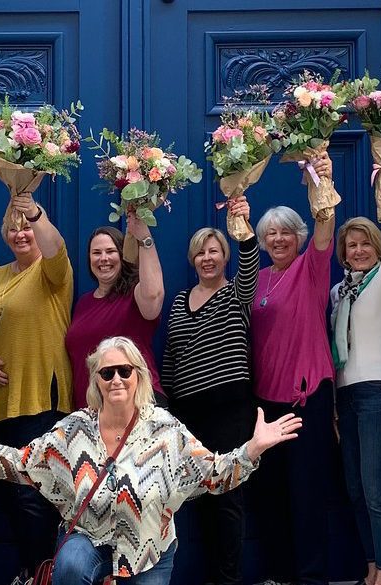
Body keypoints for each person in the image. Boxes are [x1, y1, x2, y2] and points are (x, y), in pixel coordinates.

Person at [0, 336, 303, 584]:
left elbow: (214, 475)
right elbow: (22, 463)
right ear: (96, 380)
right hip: (89, 538)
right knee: (69, 568)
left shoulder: (165, 429)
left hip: (149, 551)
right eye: (107, 372)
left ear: (139, 376)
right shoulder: (74, 430)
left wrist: (253, 449)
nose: (116, 379)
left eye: (125, 370)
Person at [161, 196, 257, 585]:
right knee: (197, 496)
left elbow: (250, 261)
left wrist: (244, 227)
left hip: (228, 408)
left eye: (214, 251)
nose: (207, 258)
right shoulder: (181, 300)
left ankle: (228, 579)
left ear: (225, 257)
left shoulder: (237, 294)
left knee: (227, 496)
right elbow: (170, 352)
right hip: (188, 411)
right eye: (200, 253)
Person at [250, 153, 336, 584]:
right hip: (266, 403)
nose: (278, 239)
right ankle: (278, 575)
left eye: (285, 232)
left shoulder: (311, 268)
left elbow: (325, 227)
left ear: (297, 237)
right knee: (271, 497)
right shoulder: (259, 279)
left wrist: (319, 181)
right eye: (271, 234)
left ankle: (311, 577)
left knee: (307, 496)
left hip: (306, 400)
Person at [0, 191, 74, 577]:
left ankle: (42, 573)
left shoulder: (52, 271)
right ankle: (30, 570)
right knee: (8, 495)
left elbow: (54, 247)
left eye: (27, 228)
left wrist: (34, 212)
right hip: (2, 401)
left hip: (41, 396)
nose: (21, 234)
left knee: (32, 495)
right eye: (13, 228)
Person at [329, 159, 381, 585]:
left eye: (363, 244)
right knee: (355, 490)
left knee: (376, 488)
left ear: (375, 246)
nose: (357, 251)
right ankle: (373, 564)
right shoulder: (340, 291)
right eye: (350, 246)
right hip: (348, 396)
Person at [65, 214, 165, 409]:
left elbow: (154, 296)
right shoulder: (83, 303)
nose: (103, 258)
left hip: (136, 403)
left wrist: (144, 239)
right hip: (92, 410)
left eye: (111, 251)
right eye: (96, 253)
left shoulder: (135, 293)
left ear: (122, 255)